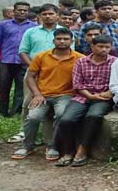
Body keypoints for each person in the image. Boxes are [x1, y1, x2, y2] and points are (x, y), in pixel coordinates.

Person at [11, 28, 84, 160]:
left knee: (61, 114)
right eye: (59, 39)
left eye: (66, 39)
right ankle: (27, 146)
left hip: (65, 95)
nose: (62, 41)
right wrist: (37, 94)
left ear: (72, 41)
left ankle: (53, 146)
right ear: (53, 40)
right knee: (33, 116)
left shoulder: (79, 58)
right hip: (43, 94)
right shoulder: (41, 56)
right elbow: (30, 76)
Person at [54, 35, 116, 167]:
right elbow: (77, 84)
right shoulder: (81, 62)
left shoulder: (115, 62)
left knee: (93, 116)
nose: (104, 49)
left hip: (104, 98)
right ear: (92, 46)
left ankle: (82, 149)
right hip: (82, 96)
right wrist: (90, 96)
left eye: (107, 47)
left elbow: (117, 83)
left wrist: (108, 93)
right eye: (100, 46)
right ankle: (68, 151)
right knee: (67, 119)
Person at [0, 1, 35, 117]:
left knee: (20, 87)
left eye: (25, 10)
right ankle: (1, 111)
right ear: (14, 11)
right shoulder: (4, 25)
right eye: (20, 10)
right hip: (5, 60)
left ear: (28, 12)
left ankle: (16, 112)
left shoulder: (33, 26)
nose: (22, 12)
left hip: (23, 61)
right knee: (4, 86)